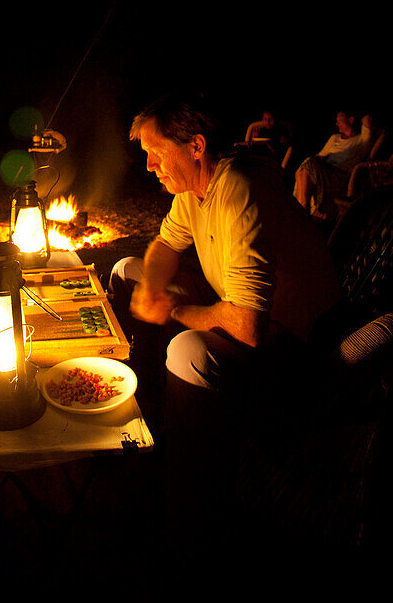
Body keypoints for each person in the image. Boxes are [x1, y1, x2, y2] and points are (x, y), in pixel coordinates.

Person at [107, 92, 341, 549]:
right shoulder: (196, 189)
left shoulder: (239, 188)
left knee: (187, 349)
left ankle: (190, 504)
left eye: (157, 153)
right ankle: (151, 408)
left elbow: (250, 327)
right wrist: (152, 289)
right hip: (245, 312)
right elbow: (166, 246)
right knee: (127, 270)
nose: (151, 166)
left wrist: (171, 310)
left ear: (196, 146)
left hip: (297, 347)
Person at [293, 109, 374, 220]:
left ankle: (303, 211)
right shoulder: (334, 138)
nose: (337, 123)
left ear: (351, 120)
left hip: (338, 175)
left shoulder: (361, 140)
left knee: (309, 165)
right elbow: (319, 156)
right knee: (304, 169)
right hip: (324, 171)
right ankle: (304, 208)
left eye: (340, 119)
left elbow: (367, 119)